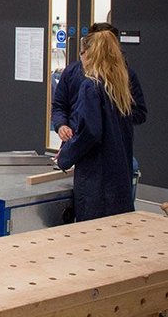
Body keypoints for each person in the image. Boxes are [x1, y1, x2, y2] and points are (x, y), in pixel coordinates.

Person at [57, 31, 136, 221]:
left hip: (97, 185)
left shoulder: (91, 86)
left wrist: (65, 156)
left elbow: (90, 133)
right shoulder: (120, 87)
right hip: (120, 178)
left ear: (89, 55)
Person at [51, 21, 145, 176]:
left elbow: (139, 112)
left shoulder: (122, 78)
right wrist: (61, 125)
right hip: (79, 149)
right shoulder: (72, 73)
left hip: (105, 154)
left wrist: (111, 120)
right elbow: (59, 105)